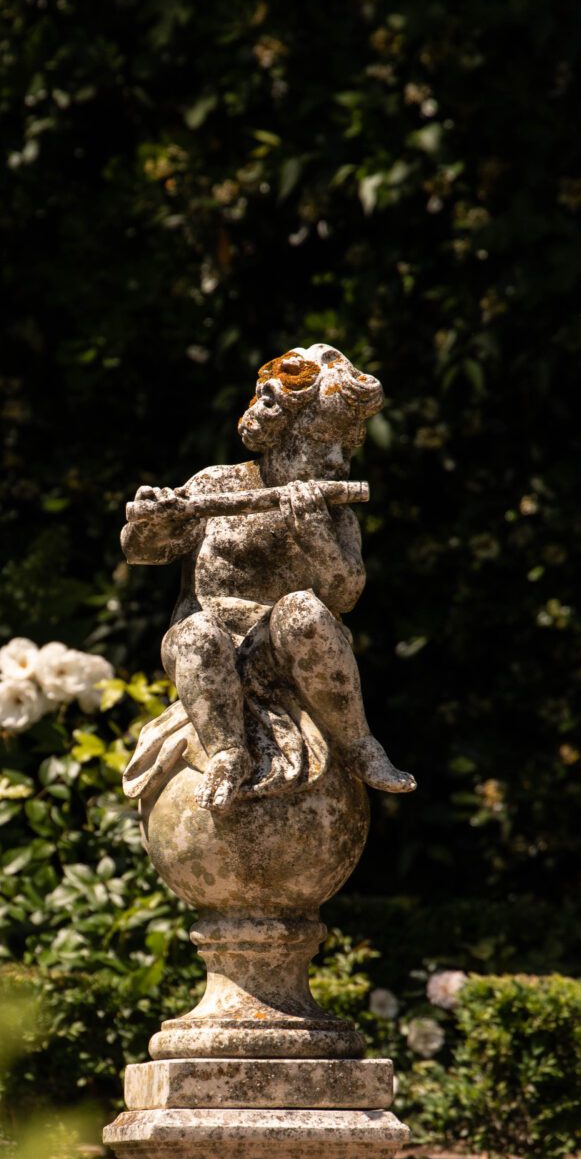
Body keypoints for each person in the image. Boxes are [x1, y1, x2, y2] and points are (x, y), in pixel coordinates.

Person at [122, 343, 415, 814]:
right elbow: (143, 553)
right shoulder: (216, 484)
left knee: (303, 608)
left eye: (348, 445)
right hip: (210, 643)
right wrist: (155, 521)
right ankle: (227, 750)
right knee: (197, 633)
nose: (339, 460)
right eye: (324, 442)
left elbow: (346, 593)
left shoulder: (332, 513)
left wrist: (317, 537)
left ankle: (360, 744)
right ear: (279, 430)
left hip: (289, 647)